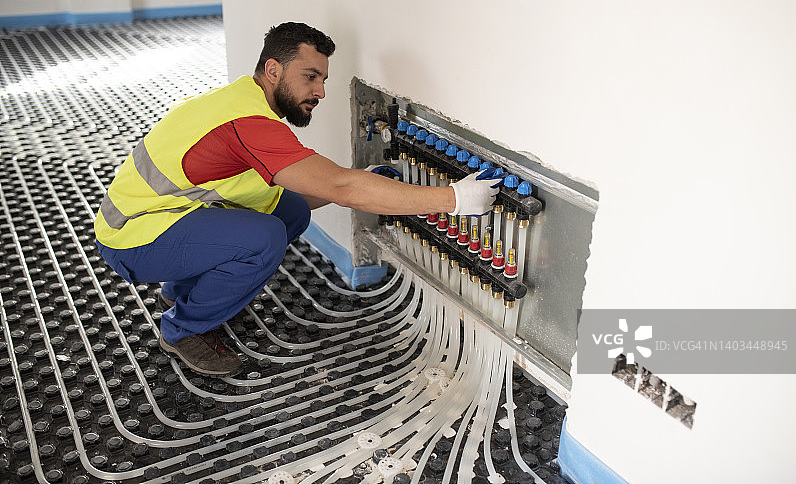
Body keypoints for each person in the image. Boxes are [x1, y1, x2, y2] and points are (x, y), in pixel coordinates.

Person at [94, 22, 499, 376]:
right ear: (273, 70)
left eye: (322, 79)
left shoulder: (244, 101)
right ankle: (183, 328)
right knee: (264, 239)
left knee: (291, 212)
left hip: (164, 216)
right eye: (310, 77)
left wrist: (365, 182)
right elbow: (340, 186)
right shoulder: (251, 125)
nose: (320, 91)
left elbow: (323, 189)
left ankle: (183, 286)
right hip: (131, 237)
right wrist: (454, 199)